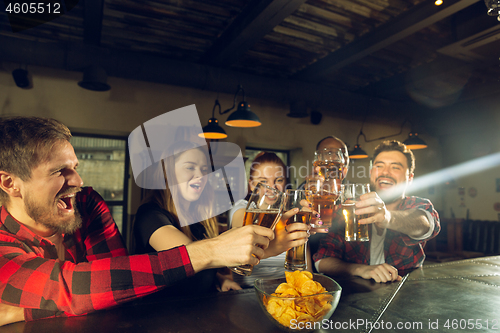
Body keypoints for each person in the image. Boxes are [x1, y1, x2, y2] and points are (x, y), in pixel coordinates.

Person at [0, 116, 275, 326]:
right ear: (10, 183)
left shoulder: (86, 202)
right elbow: (71, 287)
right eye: (59, 171)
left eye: (75, 167)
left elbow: (113, 288)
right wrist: (212, 252)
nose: (78, 182)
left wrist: (18, 311)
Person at [314, 140, 440, 283]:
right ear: (371, 172)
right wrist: (359, 269)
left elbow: (426, 223)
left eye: (395, 167)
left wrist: (387, 217)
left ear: (410, 178)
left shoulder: (417, 205)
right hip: (355, 296)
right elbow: (322, 261)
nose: (385, 172)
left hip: (408, 292)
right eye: (379, 166)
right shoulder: (348, 208)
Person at [133, 141, 240, 295]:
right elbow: (192, 259)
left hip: (199, 310)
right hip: (162, 315)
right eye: (190, 167)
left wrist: (220, 279)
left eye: (204, 169)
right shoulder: (150, 216)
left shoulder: (199, 218)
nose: (200, 175)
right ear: (167, 172)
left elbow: (203, 268)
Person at [228, 152, 310, 287]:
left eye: (278, 180)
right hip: (247, 293)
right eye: (263, 181)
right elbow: (243, 232)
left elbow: (305, 270)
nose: (272, 187)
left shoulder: (293, 214)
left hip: (286, 293)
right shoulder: (243, 208)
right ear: (252, 185)